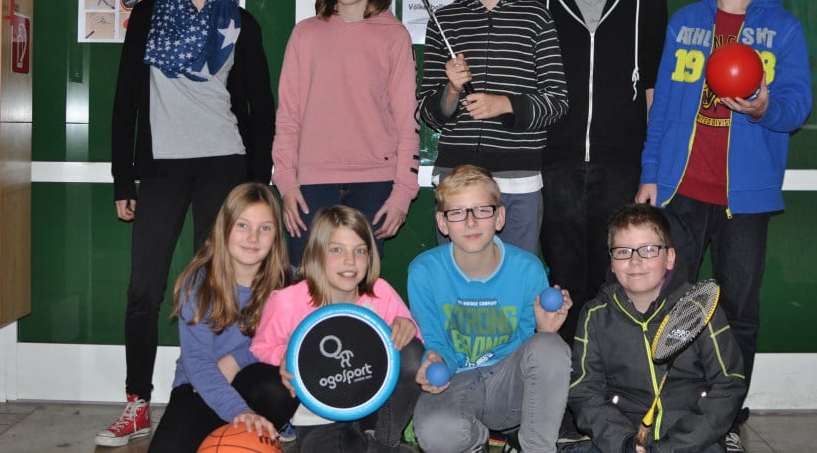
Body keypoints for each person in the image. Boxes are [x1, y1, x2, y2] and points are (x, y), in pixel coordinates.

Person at [635, 0, 812, 451]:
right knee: (669, 308)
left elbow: (797, 105)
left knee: (739, 314)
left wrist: (762, 108)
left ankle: (727, 417)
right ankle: (670, 411)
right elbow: (663, 109)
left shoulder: (783, 28)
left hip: (746, 199)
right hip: (681, 191)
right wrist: (650, 174)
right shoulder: (685, 22)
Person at [100, 0, 275, 447]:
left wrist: (258, 185)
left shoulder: (240, 24)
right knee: (144, 288)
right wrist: (123, 178)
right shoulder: (148, 15)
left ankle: (209, 390)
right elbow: (126, 100)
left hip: (224, 162)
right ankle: (137, 402)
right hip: (162, 166)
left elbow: (260, 108)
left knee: (219, 289)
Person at [520, 0, 668, 345]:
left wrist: (652, 165)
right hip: (555, 160)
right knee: (563, 282)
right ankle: (568, 382)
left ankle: (612, 382)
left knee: (618, 282)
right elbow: (527, 81)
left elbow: (653, 82)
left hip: (622, 161)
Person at [417, 0, 569, 255]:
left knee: (515, 276)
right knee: (456, 278)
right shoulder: (443, 22)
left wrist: (504, 105)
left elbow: (558, 100)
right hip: (457, 181)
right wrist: (452, 90)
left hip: (518, 181)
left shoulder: (536, 18)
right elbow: (429, 112)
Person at [272, 0, 420, 267]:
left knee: (357, 283)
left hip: (375, 184)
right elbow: (288, 115)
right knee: (305, 281)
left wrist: (402, 193)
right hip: (310, 183)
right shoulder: (305, 34)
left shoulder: (395, 36)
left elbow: (407, 120)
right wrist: (286, 182)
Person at [407, 164, 573, 452]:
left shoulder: (528, 269)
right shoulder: (424, 271)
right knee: (435, 433)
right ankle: (477, 440)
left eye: (482, 210)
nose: (471, 222)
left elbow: (530, 350)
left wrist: (545, 330)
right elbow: (435, 341)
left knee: (551, 346)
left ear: (500, 217)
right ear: (442, 223)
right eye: (457, 212)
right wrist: (435, 360)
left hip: (510, 385)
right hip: (456, 381)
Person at [566, 203, 746, 453]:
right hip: (623, 441)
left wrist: (669, 447)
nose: (635, 261)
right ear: (612, 262)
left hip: (691, 442)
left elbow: (728, 386)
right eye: (623, 251)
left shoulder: (699, 308)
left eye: (649, 250)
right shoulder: (594, 316)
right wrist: (624, 443)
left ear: (669, 258)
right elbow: (584, 392)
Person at [250, 205, 424, 452]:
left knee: (411, 350)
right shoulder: (288, 301)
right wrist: (286, 356)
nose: (350, 261)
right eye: (336, 249)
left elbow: (417, 349)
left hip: (373, 408)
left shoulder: (380, 292)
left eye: (359, 250)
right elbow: (260, 349)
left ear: (370, 256)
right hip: (319, 415)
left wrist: (407, 327)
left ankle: (385, 441)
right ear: (316, 254)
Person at [148, 182, 296, 452]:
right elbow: (198, 363)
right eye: (242, 225)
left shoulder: (290, 282)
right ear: (224, 228)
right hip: (201, 382)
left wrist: (237, 359)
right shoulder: (199, 282)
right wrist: (239, 412)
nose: (253, 237)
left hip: (257, 381)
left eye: (265, 228)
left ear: (277, 235)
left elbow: (306, 336)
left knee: (278, 390)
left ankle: (269, 430)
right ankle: (237, 425)